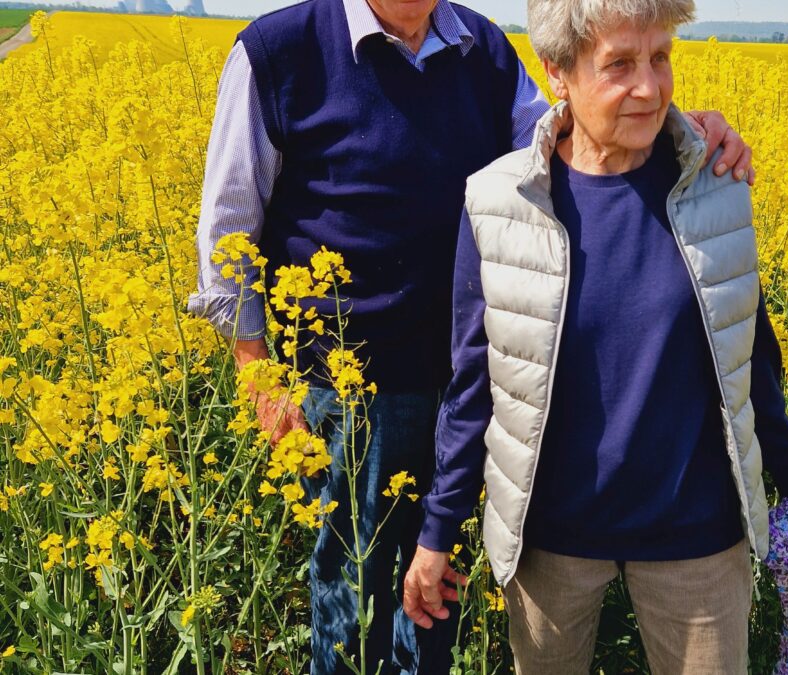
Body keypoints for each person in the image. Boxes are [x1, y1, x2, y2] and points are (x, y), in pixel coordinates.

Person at [187, 1, 755, 673]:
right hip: (348, 394)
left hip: (474, 385)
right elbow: (228, 229)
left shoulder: (478, 46)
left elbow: (565, 136)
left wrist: (686, 131)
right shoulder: (279, 50)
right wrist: (259, 374)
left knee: (435, 595)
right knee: (352, 596)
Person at [402, 0, 788, 672]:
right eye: (620, 65)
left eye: (660, 57)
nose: (650, 86)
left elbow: (745, 356)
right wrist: (437, 529)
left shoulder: (716, 188)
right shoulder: (499, 203)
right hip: (550, 540)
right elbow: (477, 386)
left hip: (697, 534)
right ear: (558, 73)